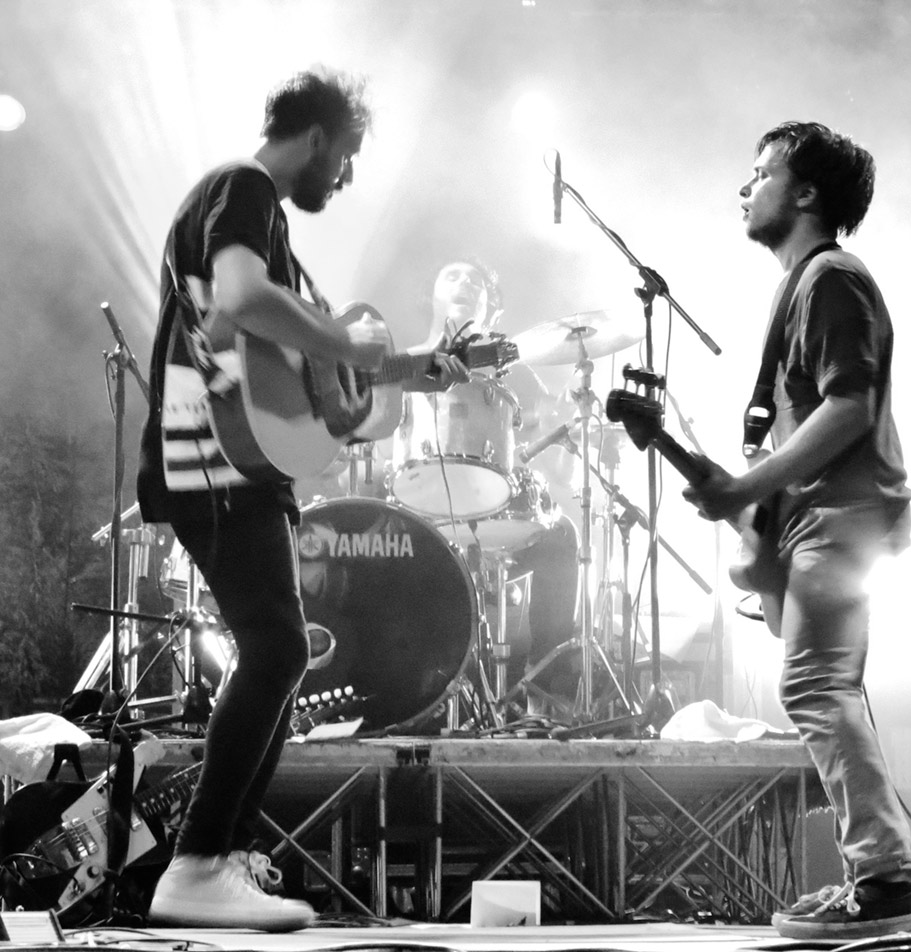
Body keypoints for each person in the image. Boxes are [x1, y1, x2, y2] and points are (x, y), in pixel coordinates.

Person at [136, 67, 458, 931]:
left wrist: (404, 369)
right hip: (209, 457)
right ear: (316, 137)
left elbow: (287, 364)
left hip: (240, 464)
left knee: (277, 652)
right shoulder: (242, 187)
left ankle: (222, 857)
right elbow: (240, 301)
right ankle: (198, 861)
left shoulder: (269, 225)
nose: (345, 177)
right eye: (345, 156)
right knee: (277, 648)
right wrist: (360, 348)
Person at [682, 122, 911, 940]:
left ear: (804, 192)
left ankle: (889, 879)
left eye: (760, 173)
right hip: (819, 519)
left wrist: (747, 488)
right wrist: (753, 521)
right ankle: (879, 876)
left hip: (843, 515)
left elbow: (850, 405)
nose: (744, 188)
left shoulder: (830, 276)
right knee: (819, 687)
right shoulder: (802, 286)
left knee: (814, 687)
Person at [400, 257, 581, 707]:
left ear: (492, 308)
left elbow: (556, 457)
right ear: (431, 294)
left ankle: (545, 694)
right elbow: (386, 448)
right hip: (421, 509)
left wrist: (569, 419)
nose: (464, 282)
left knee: (562, 537)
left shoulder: (515, 371)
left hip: (498, 514)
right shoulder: (401, 363)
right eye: (452, 275)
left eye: (475, 280)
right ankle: (410, 695)